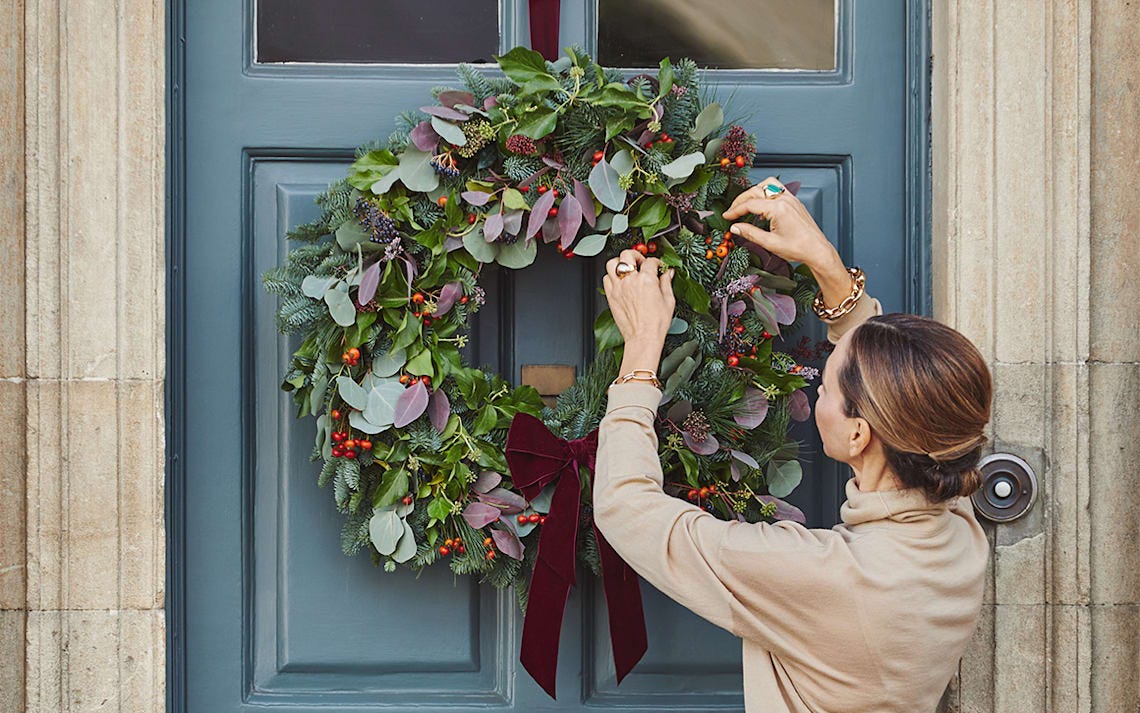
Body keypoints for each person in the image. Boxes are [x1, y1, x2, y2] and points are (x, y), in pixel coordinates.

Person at [594, 177, 991, 713]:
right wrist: (827, 267)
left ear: (858, 432)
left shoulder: (828, 577)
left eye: (824, 388)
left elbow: (627, 511)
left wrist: (641, 351)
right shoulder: (954, 525)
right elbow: (900, 389)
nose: (816, 391)